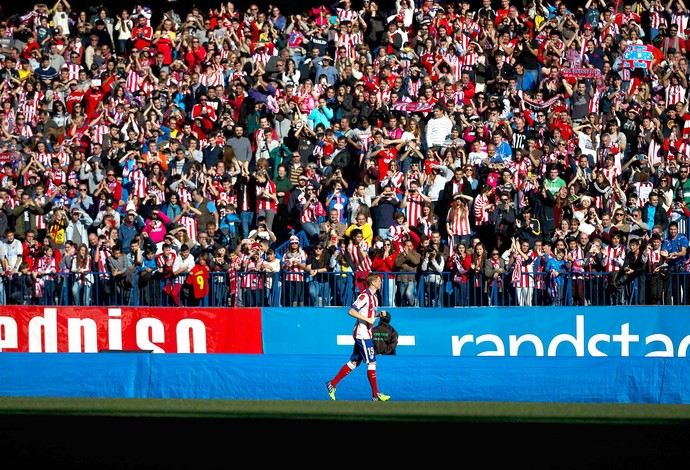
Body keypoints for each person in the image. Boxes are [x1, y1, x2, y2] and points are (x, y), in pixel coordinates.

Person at [325, 272, 391, 401]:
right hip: (362, 334)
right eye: (378, 280)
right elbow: (351, 311)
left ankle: (332, 384)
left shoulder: (374, 297)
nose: (380, 282)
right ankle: (375, 395)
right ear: (373, 282)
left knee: (354, 362)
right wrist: (367, 319)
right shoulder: (364, 296)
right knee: (372, 361)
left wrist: (378, 315)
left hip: (366, 332)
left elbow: (369, 313)